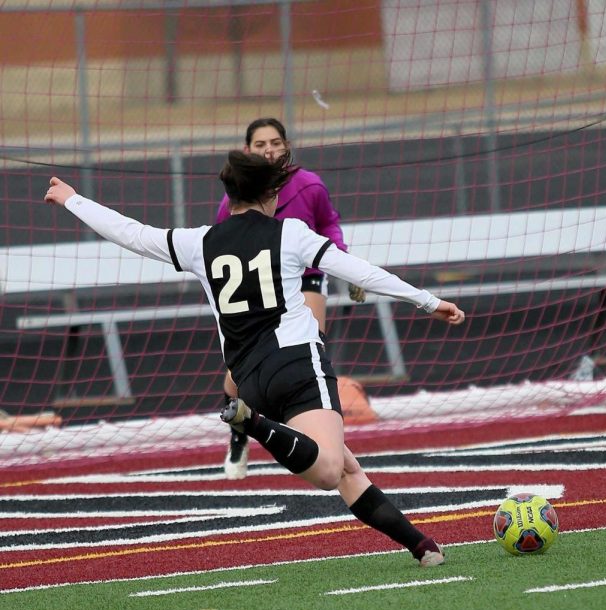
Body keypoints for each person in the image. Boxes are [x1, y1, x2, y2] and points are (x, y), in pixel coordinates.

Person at [44, 151, 465, 566]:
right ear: (274, 195)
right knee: (327, 470)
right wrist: (428, 301)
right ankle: (253, 425)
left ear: (229, 198)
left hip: (248, 379)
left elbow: (131, 232)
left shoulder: (200, 242)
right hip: (297, 364)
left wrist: (72, 199)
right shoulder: (291, 233)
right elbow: (358, 270)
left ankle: (421, 545)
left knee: (345, 468)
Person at [216, 117, 364, 480]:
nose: (270, 150)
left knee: (309, 343)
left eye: (276, 142)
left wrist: (346, 266)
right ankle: (239, 431)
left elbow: (329, 224)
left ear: (286, 147)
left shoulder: (309, 185)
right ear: (248, 151)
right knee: (236, 378)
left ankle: (312, 426)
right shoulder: (231, 201)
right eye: (261, 144)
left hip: (307, 279)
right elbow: (221, 246)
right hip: (259, 292)